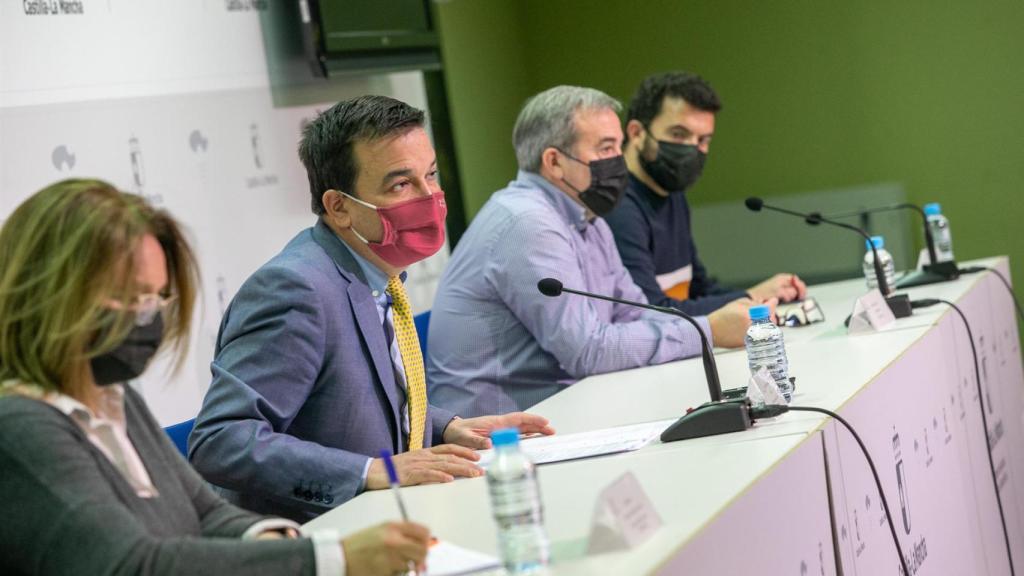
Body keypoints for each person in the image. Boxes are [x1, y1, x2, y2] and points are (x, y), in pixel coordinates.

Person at [0, 179, 431, 575]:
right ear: (51, 292)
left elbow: (203, 510)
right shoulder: (20, 426)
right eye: (128, 299)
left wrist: (274, 541)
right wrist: (331, 559)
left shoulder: (112, 394)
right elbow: (131, 565)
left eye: (156, 297)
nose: (149, 318)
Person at [188, 95, 554, 523]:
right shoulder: (295, 289)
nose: (430, 197)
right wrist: (369, 471)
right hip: (316, 539)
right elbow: (221, 440)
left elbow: (348, 398)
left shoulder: (376, 272)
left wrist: (449, 427)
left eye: (431, 175)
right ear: (339, 207)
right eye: (401, 185)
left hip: (395, 522)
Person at [427, 86, 755, 418]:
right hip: (499, 440)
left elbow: (633, 311)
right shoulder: (527, 224)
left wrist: (703, 326)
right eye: (606, 148)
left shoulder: (586, 215)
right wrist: (707, 331)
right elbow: (586, 351)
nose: (619, 160)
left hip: (565, 408)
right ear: (554, 162)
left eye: (618, 145)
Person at [604, 71, 807, 316]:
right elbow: (651, 311)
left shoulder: (670, 191)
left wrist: (764, 294)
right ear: (636, 133)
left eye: (703, 140)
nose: (692, 149)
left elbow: (698, 288)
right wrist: (751, 297)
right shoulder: (617, 207)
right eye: (679, 135)